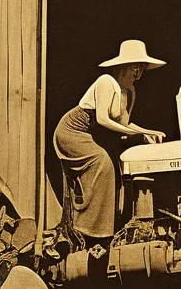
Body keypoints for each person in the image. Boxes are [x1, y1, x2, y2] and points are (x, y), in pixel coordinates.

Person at [53, 40, 167, 242]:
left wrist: (149, 132)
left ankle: (112, 227)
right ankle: (88, 229)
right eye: (135, 67)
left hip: (91, 134)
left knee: (116, 166)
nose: (138, 73)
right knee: (102, 162)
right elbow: (102, 119)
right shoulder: (106, 82)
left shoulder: (130, 91)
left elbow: (126, 123)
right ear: (123, 67)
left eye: (142, 68)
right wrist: (135, 135)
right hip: (72, 131)